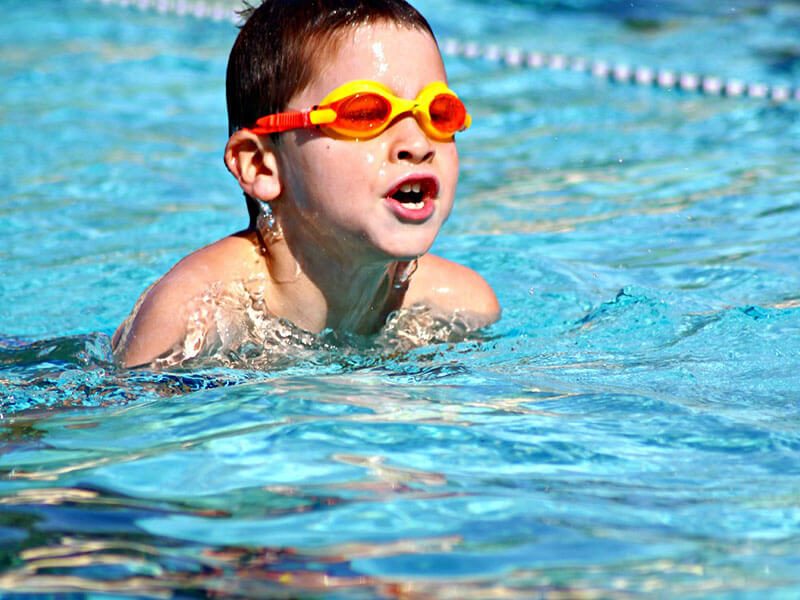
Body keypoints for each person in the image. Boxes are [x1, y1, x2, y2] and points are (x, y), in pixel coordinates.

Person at [112, 0, 500, 368]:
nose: (417, 144)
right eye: (365, 112)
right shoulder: (196, 315)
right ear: (261, 165)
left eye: (439, 113)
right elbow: (119, 429)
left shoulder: (462, 306)